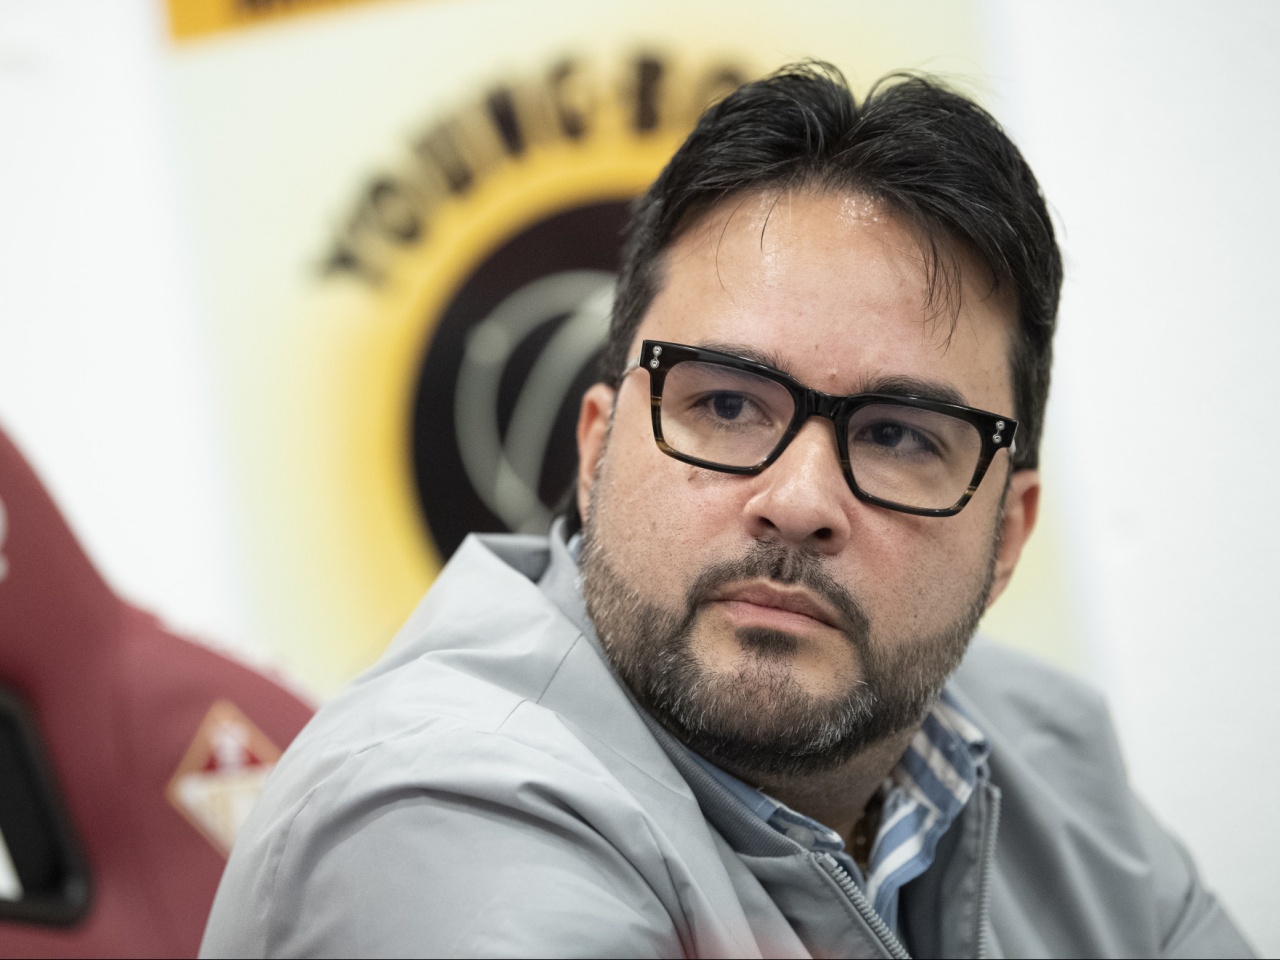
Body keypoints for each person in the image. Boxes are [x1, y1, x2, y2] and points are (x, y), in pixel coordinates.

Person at [201, 64, 1254, 958]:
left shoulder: (1049, 753)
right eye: (726, 405)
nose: (797, 502)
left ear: (1006, 537)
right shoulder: (432, 814)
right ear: (596, 449)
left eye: (898, 436)